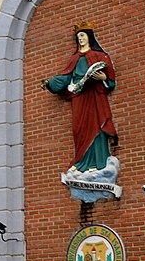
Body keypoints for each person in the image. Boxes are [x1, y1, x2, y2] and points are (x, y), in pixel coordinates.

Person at [42, 24, 118, 174]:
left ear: (89, 37)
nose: (80, 39)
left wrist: (104, 78)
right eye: (78, 37)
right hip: (79, 97)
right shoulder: (74, 58)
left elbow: (110, 78)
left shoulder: (99, 56)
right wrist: (51, 83)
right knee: (80, 128)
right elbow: (66, 77)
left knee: (96, 125)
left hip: (95, 95)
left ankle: (99, 163)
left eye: (82, 35)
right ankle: (82, 161)